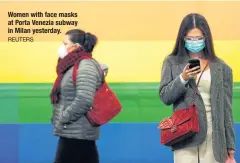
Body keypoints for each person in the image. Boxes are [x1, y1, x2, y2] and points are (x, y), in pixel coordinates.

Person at [159, 13, 235, 163]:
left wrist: (230, 145)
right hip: (185, 134)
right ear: (183, 38)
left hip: (215, 137)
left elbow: (227, 109)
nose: (195, 41)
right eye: (190, 38)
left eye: (199, 38)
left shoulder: (222, 68)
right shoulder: (172, 62)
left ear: (207, 38)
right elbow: (165, 97)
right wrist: (183, 78)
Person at [50, 29, 108, 163]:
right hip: (74, 132)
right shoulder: (72, 65)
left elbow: (84, 99)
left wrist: (64, 117)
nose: (61, 47)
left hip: (77, 133)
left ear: (75, 46)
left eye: (65, 43)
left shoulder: (85, 66)